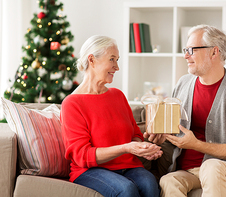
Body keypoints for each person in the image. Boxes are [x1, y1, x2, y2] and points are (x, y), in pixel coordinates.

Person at [144, 24, 226, 197]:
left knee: (211, 166)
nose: (185, 55)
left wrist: (197, 145)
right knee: (168, 180)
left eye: (191, 50)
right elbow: (176, 132)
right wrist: (163, 137)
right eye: (185, 49)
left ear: (214, 52)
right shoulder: (183, 84)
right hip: (188, 170)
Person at [61, 35, 162, 197]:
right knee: (126, 189)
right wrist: (126, 147)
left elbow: (135, 134)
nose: (117, 67)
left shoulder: (118, 96)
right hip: (90, 171)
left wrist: (143, 149)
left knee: (149, 183)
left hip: (128, 166)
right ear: (92, 60)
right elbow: (82, 156)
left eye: (117, 60)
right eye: (112, 59)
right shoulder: (72, 103)